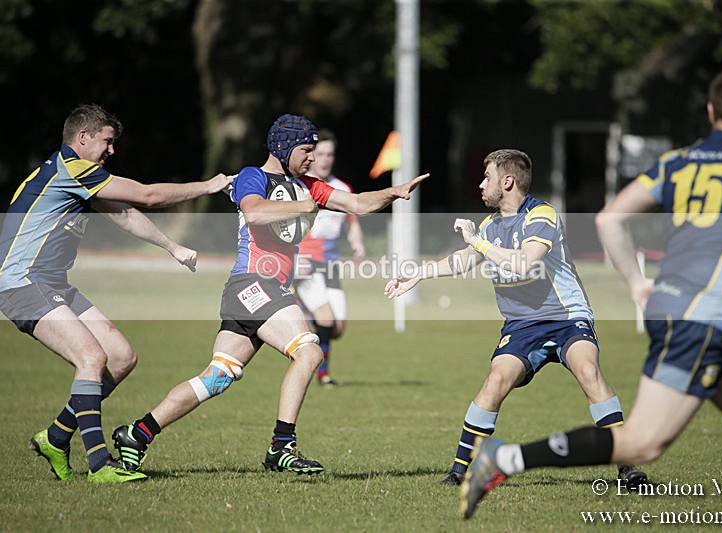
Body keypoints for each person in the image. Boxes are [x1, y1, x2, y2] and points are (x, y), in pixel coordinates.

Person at [460, 66, 722, 531]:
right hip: (702, 317)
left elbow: (609, 219)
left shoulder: (677, 162)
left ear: (710, 111)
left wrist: (638, 283)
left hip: (687, 313)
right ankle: (506, 458)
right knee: (642, 443)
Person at [112, 114, 427, 475]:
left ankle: (137, 434)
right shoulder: (254, 176)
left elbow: (357, 204)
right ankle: (282, 446)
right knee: (309, 351)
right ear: (283, 147)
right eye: (306, 150)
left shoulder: (307, 185)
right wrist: (304, 206)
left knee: (217, 377)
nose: (312, 157)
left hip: (260, 291)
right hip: (253, 284)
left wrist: (393, 192)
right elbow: (253, 211)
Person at [384, 149, 645, 488]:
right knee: (495, 381)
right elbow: (464, 260)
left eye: (487, 178)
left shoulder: (542, 215)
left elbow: (524, 263)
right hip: (521, 326)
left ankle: (628, 466)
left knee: (588, 371)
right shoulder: (491, 225)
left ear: (507, 182)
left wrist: (477, 242)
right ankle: (460, 472)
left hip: (566, 317)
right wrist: (418, 274)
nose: (481, 185)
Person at [0, 103, 232, 483]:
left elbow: (123, 213)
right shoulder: (72, 169)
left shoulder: (78, 176)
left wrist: (172, 247)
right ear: (83, 137)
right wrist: (208, 186)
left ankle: (55, 437)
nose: (112, 150)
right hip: (22, 282)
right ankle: (99, 465)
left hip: (51, 282)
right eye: (107, 142)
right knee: (92, 357)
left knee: (121, 357)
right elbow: (148, 195)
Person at [293, 129, 365, 387]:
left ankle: (300, 307)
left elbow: (352, 223)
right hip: (305, 264)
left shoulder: (342, 189)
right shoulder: (300, 187)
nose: (325, 159)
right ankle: (323, 375)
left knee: (337, 329)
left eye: (330, 154)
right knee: (325, 318)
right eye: (320, 154)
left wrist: (357, 244)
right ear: (311, 156)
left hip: (331, 266)